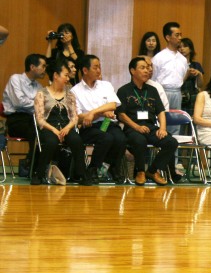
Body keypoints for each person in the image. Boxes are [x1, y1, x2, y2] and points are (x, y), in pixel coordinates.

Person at [117, 57, 178, 186]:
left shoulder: (152, 90)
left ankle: (152, 170)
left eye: (147, 68)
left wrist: (162, 128)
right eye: (142, 68)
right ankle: (140, 172)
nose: (147, 70)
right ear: (132, 71)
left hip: (150, 127)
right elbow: (121, 115)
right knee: (139, 140)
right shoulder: (123, 90)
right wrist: (136, 127)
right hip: (132, 128)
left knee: (171, 142)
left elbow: (161, 111)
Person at [33, 59, 92, 186]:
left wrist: (67, 128)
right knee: (51, 142)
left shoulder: (70, 94)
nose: (68, 78)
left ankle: (82, 174)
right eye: (65, 75)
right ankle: (39, 173)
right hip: (48, 128)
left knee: (76, 140)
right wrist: (54, 130)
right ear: (56, 75)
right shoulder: (41, 94)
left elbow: (74, 117)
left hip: (66, 127)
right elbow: (40, 119)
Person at [71, 55, 127, 184]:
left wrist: (93, 112)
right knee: (106, 138)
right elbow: (79, 117)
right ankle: (93, 168)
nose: (99, 70)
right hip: (89, 126)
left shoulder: (105, 85)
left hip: (107, 123)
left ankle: (112, 167)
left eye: (99, 67)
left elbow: (113, 105)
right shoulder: (75, 91)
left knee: (121, 139)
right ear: (85, 70)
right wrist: (101, 113)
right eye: (95, 67)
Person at [2, 53, 47, 177]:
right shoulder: (15, 79)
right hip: (16, 120)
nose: (45, 69)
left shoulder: (39, 86)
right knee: (36, 132)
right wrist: (36, 104)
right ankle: (32, 166)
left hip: (33, 119)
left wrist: (37, 105)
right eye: (43, 66)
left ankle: (34, 164)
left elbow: (43, 105)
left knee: (46, 132)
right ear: (32, 67)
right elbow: (19, 102)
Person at [152, 22, 188, 124]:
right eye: (177, 35)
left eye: (180, 35)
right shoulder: (159, 57)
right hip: (162, 91)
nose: (180, 38)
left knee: (176, 122)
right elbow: (153, 78)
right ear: (168, 37)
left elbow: (182, 77)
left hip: (177, 92)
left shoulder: (183, 59)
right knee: (161, 122)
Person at [179, 37, 204, 113]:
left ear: (190, 49)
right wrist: (187, 75)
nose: (182, 49)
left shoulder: (196, 65)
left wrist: (199, 74)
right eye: (179, 47)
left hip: (193, 97)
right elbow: (177, 84)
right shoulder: (176, 65)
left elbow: (200, 85)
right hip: (180, 96)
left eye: (185, 46)